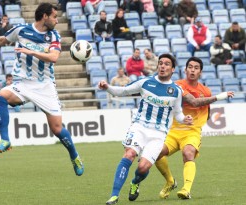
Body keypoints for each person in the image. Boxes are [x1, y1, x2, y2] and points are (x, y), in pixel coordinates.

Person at [0, 3, 84, 176]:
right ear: (44, 16)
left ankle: (74, 155)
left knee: (57, 129)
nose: (57, 20)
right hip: (23, 83)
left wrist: (31, 52)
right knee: (1, 96)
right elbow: (2, 39)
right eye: (54, 16)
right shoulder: (21, 30)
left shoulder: (53, 36)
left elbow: (54, 57)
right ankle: (5, 139)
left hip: (45, 86)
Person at [126, 57, 234, 202]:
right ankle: (170, 181)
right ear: (185, 70)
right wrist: (220, 97)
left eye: (196, 68)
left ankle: (186, 190)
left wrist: (196, 126)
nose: (192, 70)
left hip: (191, 132)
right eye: (190, 67)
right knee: (155, 154)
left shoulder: (205, 91)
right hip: (173, 130)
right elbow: (194, 102)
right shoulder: (176, 86)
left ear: (200, 72)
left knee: (188, 152)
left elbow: (206, 113)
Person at [100, 53, 194, 205]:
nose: (163, 66)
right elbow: (123, 91)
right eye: (161, 63)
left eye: (166, 64)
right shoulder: (145, 82)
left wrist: (185, 119)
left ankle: (135, 182)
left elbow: (178, 114)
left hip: (158, 134)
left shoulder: (176, 91)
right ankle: (114, 196)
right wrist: (107, 87)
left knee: (143, 168)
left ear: (173, 69)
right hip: (139, 127)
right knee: (129, 154)